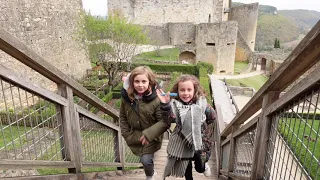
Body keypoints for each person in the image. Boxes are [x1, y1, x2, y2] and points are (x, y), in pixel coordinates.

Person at [156, 74, 216, 180]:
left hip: (201, 142)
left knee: (199, 168)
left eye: (189, 90)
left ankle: (204, 165)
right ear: (178, 91)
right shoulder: (175, 105)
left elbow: (212, 117)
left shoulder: (202, 104)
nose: (186, 93)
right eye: (182, 90)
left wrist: (201, 118)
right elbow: (168, 120)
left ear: (194, 90)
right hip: (183, 141)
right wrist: (165, 105)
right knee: (187, 170)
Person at [120, 66, 169, 180]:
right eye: (137, 81)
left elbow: (164, 121)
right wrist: (125, 133)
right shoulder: (127, 98)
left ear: (150, 82)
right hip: (134, 136)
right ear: (132, 82)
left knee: (145, 160)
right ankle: (150, 170)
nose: (140, 85)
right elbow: (122, 116)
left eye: (144, 81)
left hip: (152, 137)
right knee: (144, 160)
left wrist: (149, 134)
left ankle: (150, 175)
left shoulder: (156, 99)